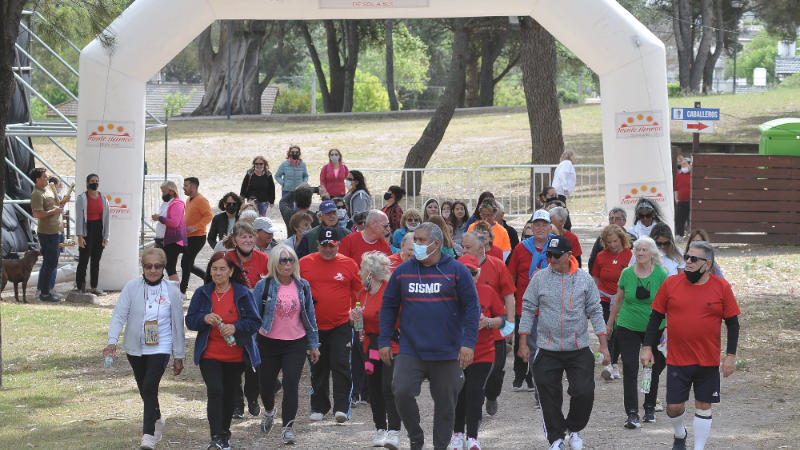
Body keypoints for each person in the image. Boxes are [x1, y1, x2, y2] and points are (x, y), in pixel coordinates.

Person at [379, 222, 480, 450]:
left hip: (447, 351)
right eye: (415, 240)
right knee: (401, 390)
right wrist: (384, 340)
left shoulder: (456, 270)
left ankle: (440, 446)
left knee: (446, 406)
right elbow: (388, 306)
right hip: (411, 349)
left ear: (437, 244)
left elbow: (472, 308)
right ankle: (416, 437)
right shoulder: (403, 272)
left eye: (422, 241)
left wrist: (468, 344)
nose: (417, 245)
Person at [640, 241, 741, 450]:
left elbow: (733, 322)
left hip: (708, 359)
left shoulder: (721, 287)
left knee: (704, 405)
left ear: (708, 264)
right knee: (674, 407)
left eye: (694, 259)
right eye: (687, 257)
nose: (688, 261)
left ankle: (699, 447)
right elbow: (655, 317)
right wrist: (647, 347)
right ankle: (680, 433)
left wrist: (730, 355)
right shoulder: (671, 284)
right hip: (678, 358)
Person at [518, 236, 610, 450]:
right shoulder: (539, 278)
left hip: (578, 348)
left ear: (569, 255)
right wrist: (523, 343)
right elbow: (528, 308)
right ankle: (556, 438)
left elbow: (596, 311)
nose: (552, 259)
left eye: (556, 255)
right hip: (547, 349)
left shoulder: (584, 280)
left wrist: (603, 345)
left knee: (584, 392)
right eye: (548, 255)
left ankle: (574, 429)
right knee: (549, 396)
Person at [104, 248, 185, 450]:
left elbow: (178, 324)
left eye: (157, 266)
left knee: (150, 386)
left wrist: (179, 354)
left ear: (164, 268)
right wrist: (112, 341)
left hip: (162, 345)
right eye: (148, 266)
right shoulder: (132, 287)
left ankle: (147, 435)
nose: (153, 270)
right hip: (135, 346)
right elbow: (119, 315)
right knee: (145, 388)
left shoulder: (173, 290)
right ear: (143, 266)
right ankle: (156, 417)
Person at [185, 251, 261, 450]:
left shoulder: (243, 293)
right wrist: (204, 319)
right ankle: (215, 438)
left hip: (235, 354)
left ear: (231, 271)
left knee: (228, 394)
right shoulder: (203, 293)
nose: (217, 273)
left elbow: (255, 322)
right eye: (214, 268)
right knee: (215, 390)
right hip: (209, 353)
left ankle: (224, 435)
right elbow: (190, 321)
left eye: (222, 269)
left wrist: (236, 327)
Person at [253, 245, 321, 445]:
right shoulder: (263, 286)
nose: (288, 264)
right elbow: (253, 315)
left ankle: (287, 427)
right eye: (283, 260)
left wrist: (313, 344)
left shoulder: (302, 285)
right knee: (266, 385)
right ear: (274, 262)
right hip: (268, 342)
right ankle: (269, 410)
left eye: (291, 259)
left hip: (295, 344)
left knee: (291, 384)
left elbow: (310, 316)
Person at [299, 227, 362, 423]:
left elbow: (359, 292)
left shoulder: (349, 264)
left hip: (340, 324)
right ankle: (319, 406)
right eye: (324, 245)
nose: (328, 249)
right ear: (317, 245)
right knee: (318, 366)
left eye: (332, 245)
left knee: (341, 364)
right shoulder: (304, 263)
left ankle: (342, 408)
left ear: (338, 245)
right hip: (313, 326)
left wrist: (356, 311)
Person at [605, 236, 668, 429]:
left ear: (652, 254)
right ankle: (632, 413)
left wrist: (667, 327)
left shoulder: (661, 274)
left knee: (651, 368)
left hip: (653, 327)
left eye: (644, 250)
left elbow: (668, 303)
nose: (640, 253)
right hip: (628, 325)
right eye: (638, 250)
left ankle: (649, 406)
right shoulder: (626, 274)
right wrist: (609, 323)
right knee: (630, 368)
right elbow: (618, 300)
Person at [450, 254, 507, 450]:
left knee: (475, 392)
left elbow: (503, 319)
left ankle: (472, 437)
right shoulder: (448, 294)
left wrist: (488, 322)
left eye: (472, 272)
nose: (469, 276)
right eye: (464, 272)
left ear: (477, 275)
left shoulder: (488, 292)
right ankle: (457, 434)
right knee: (459, 393)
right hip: (456, 353)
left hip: (483, 352)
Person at [460, 231, 515, 417]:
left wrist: (510, 324)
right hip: (467, 335)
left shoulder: (497, 266)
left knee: (495, 372)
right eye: (462, 247)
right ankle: (474, 405)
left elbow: (509, 295)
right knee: (471, 376)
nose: (463, 251)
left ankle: (492, 395)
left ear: (481, 249)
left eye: (468, 248)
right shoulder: (458, 267)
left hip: (495, 331)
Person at [356, 251, 402, 450]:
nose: (359, 273)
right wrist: (356, 320)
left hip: (393, 344)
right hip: (370, 344)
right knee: (373, 387)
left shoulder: (390, 290)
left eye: (362, 269)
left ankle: (394, 431)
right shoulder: (363, 292)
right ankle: (380, 429)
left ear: (370, 273)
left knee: (389, 386)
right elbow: (360, 320)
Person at [507, 213, 557, 392]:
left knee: (545, 347)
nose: (541, 228)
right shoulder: (521, 249)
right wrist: (509, 301)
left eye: (544, 224)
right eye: (537, 224)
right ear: (532, 227)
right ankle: (526, 378)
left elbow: (568, 272)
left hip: (550, 306)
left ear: (550, 227)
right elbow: (510, 277)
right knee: (528, 345)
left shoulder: (557, 247)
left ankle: (540, 385)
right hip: (525, 306)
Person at [592, 224, 633, 381]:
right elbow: (596, 277)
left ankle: (615, 363)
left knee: (618, 331)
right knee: (606, 330)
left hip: (622, 298)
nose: (612, 245)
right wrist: (592, 296)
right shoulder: (601, 256)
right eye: (608, 242)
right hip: (603, 296)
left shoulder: (630, 255)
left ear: (621, 239)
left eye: (615, 241)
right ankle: (607, 364)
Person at [30, 167, 69, 302]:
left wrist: (63, 202)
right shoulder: (37, 194)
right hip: (47, 233)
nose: (48, 179)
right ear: (37, 179)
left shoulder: (47, 189)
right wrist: (53, 212)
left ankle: (45, 290)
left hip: (56, 231)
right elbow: (36, 214)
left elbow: (56, 207)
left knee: (52, 262)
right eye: (45, 177)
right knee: (49, 262)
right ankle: (44, 294)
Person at [75, 173, 109, 295]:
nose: (95, 182)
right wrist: (80, 236)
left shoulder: (103, 197)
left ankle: (94, 288)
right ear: (87, 183)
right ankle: (80, 288)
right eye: (92, 181)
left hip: (99, 229)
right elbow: (79, 218)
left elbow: (106, 219)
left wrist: (106, 236)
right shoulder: (82, 198)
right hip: (86, 230)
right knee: (83, 261)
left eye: (97, 180)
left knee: (96, 261)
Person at [182, 177, 213, 295]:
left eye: (186, 186)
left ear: (193, 187)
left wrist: (195, 227)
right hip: (188, 237)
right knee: (188, 264)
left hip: (198, 237)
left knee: (185, 263)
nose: (183, 188)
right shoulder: (189, 199)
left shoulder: (201, 200)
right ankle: (209, 280)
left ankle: (182, 291)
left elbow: (209, 216)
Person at [152, 181, 186, 283]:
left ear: (171, 191)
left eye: (164, 192)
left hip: (171, 241)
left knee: (170, 268)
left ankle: (177, 293)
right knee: (158, 265)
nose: (162, 194)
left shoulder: (177, 204)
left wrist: (160, 218)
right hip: (162, 240)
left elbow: (174, 223)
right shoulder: (166, 203)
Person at [587, 208, 636, 275]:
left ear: (624, 221)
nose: (613, 221)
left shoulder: (632, 238)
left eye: (617, 219)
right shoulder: (602, 238)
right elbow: (592, 260)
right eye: (611, 218)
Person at [674, 155, 692, 237]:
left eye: (684, 164)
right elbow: (676, 188)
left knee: (690, 219)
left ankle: (690, 234)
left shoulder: (693, 175)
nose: (682, 166)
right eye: (682, 164)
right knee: (679, 219)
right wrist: (676, 198)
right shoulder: (679, 175)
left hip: (691, 201)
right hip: (681, 201)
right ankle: (680, 235)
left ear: (689, 165)